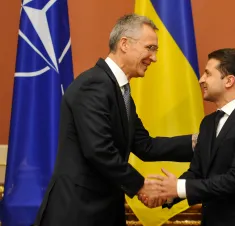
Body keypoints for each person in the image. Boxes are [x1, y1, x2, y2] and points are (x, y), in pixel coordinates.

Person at [34, 14, 197, 226]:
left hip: (104, 210)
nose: (154, 58)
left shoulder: (119, 91)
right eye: (150, 48)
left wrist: (196, 142)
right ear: (124, 44)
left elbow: (145, 146)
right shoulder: (93, 84)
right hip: (77, 212)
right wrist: (139, 185)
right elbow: (98, 149)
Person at [144, 48, 235, 226]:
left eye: (208, 74)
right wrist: (168, 194)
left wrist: (179, 188)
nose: (201, 80)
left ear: (229, 81)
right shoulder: (208, 123)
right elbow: (197, 172)